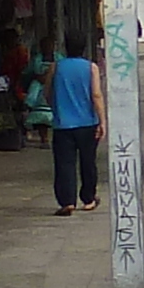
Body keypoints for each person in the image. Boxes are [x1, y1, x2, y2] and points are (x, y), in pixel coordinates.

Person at [50, 29, 103, 216]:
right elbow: (96, 95)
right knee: (88, 162)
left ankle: (67, 201)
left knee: (64, 163)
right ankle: (88, 199)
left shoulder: (56, 66)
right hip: (87, 122)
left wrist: (56, 108)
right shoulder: (91, 68)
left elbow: (47, 91)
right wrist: (102, 120)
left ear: (65, 47)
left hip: (63, 124)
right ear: (84, 48)